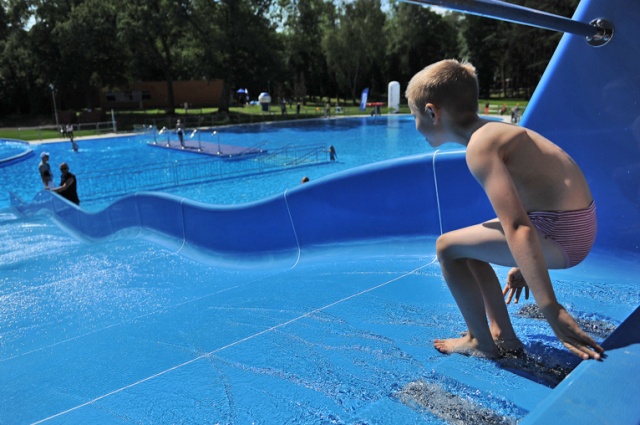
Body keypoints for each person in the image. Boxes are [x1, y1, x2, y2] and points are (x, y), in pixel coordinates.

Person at [405, 59, 603, 361]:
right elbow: (530, 203)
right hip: (575, 224)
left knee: (446, 247)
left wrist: (551, 308)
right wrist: (522, 265)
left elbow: (518, 227)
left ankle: (479, 341)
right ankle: (502, 335)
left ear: (432, 112)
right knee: (465, 244)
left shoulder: (480, 148)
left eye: (414, 114)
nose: (415, 123)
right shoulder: (496, 131)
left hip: (562, 235)